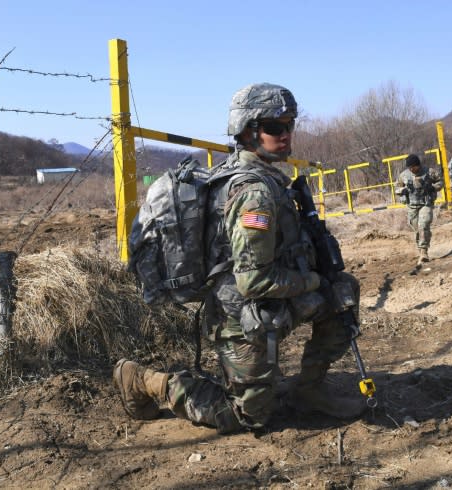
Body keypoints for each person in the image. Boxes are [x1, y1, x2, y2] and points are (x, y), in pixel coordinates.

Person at [113, 83, 366, 434]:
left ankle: (308, 390)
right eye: (276, 127)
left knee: (343, 293)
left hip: (269, 303)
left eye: (290, 124)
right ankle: (145, 381)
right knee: (249, 416)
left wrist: (323, 277)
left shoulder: (267, 179)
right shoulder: (254, 194)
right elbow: (254, 280)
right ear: (248, 130)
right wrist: (314, 281)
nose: (287, 134)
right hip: (240, 315)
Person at [395, 154, 443, 265]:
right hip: (412, 206)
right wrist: (403, 191)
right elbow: (396, 188)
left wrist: (432, 187)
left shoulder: (429, 172)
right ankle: (421, 248)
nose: (412, 169)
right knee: (417, 229)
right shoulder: (404, 175)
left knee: (424, 224)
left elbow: (440, 182)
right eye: (409, 167)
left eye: (414, 167)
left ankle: (423, 252)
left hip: (426, 203)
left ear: (418, 165)